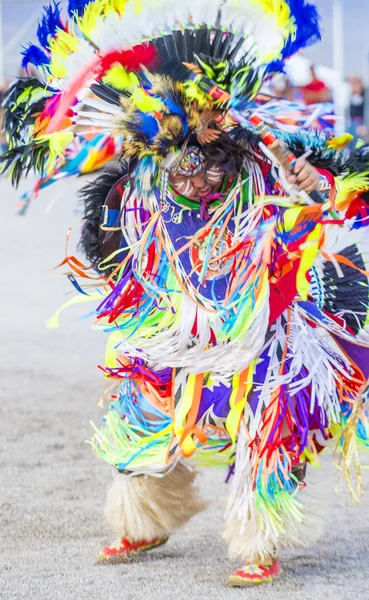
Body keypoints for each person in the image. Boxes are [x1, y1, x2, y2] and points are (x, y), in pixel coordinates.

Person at [1, 0, 369, 587]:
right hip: (172, 324)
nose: (199, 177)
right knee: (142, 414)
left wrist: (313, 182)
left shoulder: (261, 152)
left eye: (210, 166)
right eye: (186, 166)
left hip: (260, 325)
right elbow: (107, 246)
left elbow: (346, 183)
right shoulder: (140, 171)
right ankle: (146, 520)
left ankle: (258, 538)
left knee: (267, 422)